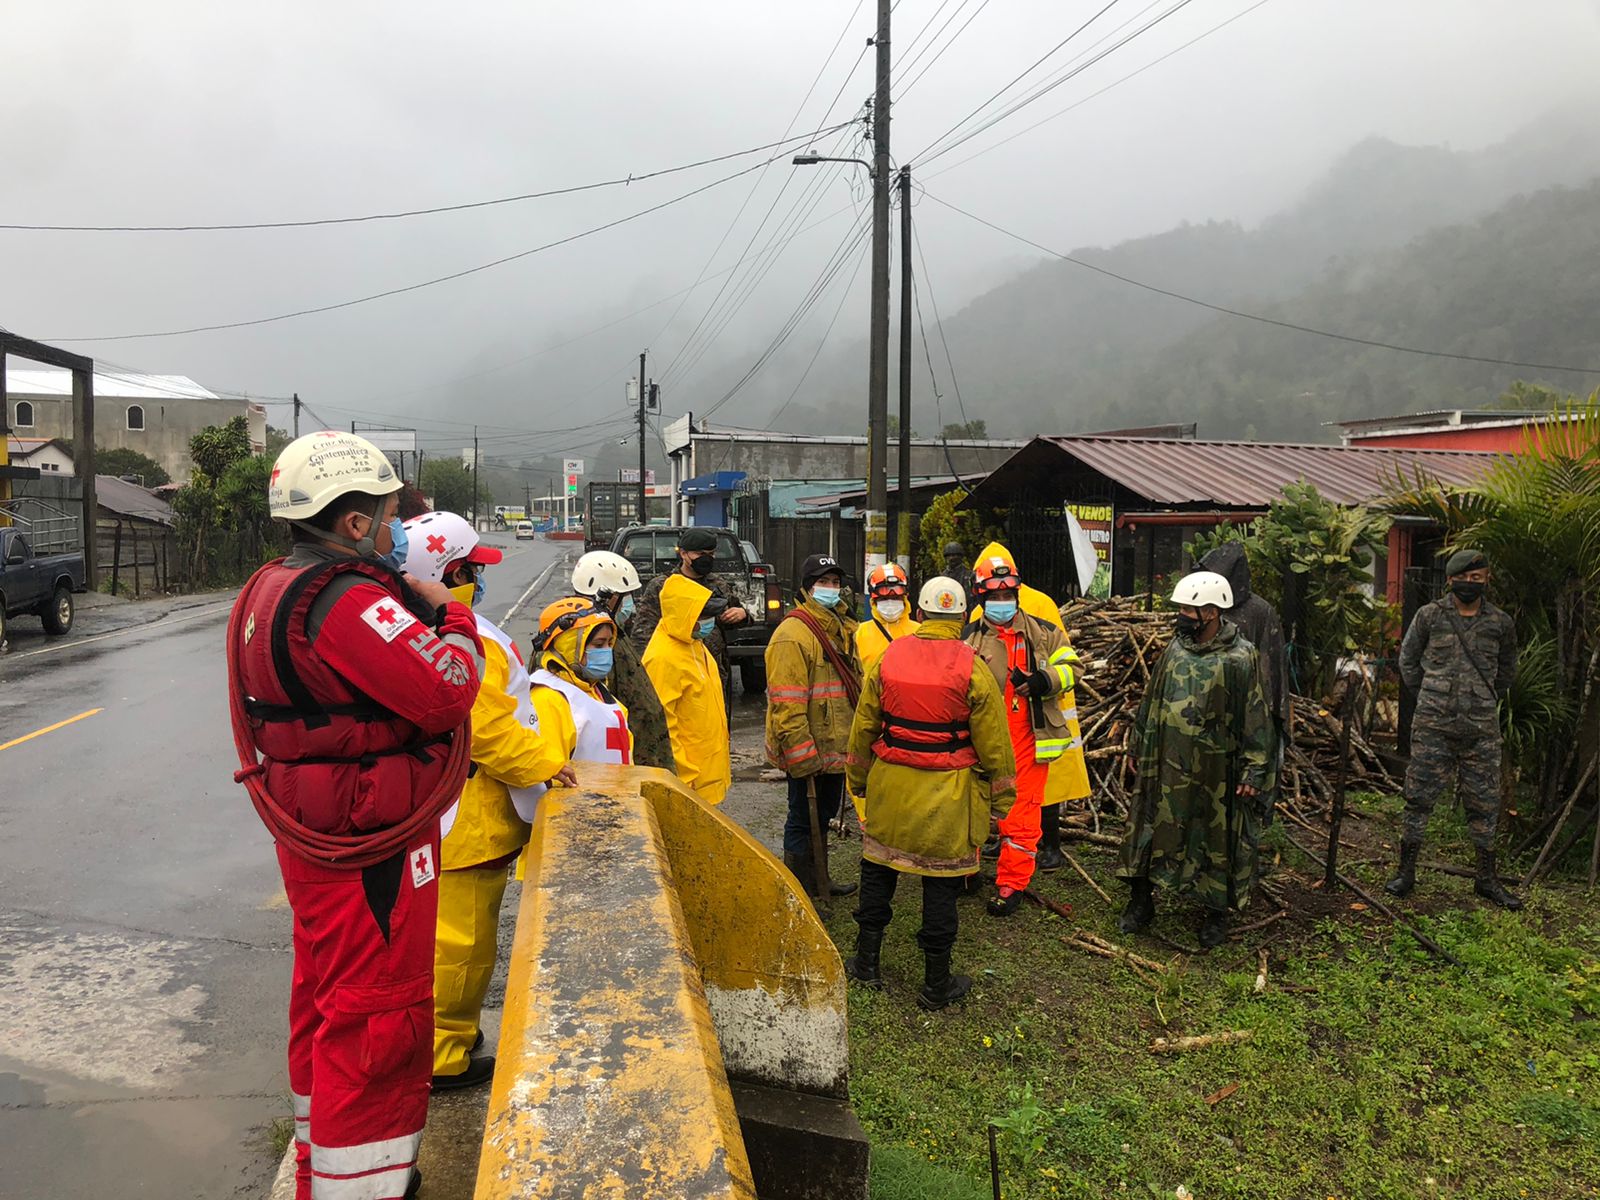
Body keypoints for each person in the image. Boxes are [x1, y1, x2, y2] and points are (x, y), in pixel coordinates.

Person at [229, 432, 484, 1200]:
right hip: (368, 835)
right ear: (349, 524)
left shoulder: (270, 585)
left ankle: (318, 1164)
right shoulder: (347, 600)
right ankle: (362, 1184)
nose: (394, 529)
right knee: (376, 1016)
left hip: (321, 827)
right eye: (384, 515)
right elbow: (446, 689)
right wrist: (453, 616)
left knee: (326, 998)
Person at [401, 510, 576, 1093]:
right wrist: (549, 765)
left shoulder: (416, 628)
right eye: (473, 568)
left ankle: (452, 1033)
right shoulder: (462, 640)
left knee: (447, 944)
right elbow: (488, 730)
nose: (481, 577)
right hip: (465, 822)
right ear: (448, 573)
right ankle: (444, 1055)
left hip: (449, 817)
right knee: (461, 948)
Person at [845, 576, 1016, 1010]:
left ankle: (866, 964)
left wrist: (861, 781)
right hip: (948, 795)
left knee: (878, 873)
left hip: (889, 787)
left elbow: (863, 727)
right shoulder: (972, 665)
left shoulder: (886, 657)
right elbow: (994, 742)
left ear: (918, 615)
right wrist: (1001, 802)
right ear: (961, 618)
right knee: (940, 886)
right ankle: (936, 986)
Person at [1117, 571, 1273, 948]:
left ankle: (1215, 913)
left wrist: (1254, 768)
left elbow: (1256, 715)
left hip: (1213, 771)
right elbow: (1152, 700)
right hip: (1164, 761)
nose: (1182, 615)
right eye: (1182, 607)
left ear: (1211, 611)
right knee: (1149, 827)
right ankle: (1141, 901)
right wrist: (1139, 745)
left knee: (1215, 837)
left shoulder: (1240, 657)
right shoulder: (1175, 648)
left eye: (1190, 608)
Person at [1387, 549, 1521, 908]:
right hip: (1433, 725)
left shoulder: (1500, 623)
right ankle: (1406, 872)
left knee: (1484, 801)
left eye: (1478, 578)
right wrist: (1433, 694)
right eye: (1464, 577)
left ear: (1487, 580)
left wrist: (1481, 698)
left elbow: (1507, 669)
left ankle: (1486, 878)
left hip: (1480, 730)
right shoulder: (1430, 616)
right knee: (1418, 797)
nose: (1470, 584)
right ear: (1450, 579)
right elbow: (1408, 661)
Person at [963, 549, 1080, 916]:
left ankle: (1011, 884)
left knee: (1022, 815)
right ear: (982, 598)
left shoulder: (1044, 633)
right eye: (994, 596)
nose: (1002, 602)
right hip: (981, 741)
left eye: (1007, 595)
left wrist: (1045, 680)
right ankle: (966, 873)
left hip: (1029, 738)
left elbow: (1072, 668)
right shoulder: (969, 638)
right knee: (972, 810)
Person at [765, 554, 862, 897]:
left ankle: (821, 879)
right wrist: (801, 755)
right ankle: (801, 889)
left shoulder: (841, 627)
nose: (831, 588)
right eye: (824, 582)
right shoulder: (793, 634)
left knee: (822, 817)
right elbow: (786, 705)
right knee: (802, 819)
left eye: (836, 582)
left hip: (834, 745)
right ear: (807, 588)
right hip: (809, 748)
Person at [1200, 541, 1289, 842]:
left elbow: (1270, 673)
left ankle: (1246, 849)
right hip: (1209, 713)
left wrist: (1266, 722)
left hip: (1250, 714)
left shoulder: (1259, 612)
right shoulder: (1204, 609)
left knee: (1248, 790)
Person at [570, 550, 675, 771]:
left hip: (639, 761)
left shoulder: (613, 633)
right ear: (607, 597)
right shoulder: (585, 645)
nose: (632, 605)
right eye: (626, 596)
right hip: (616, 768)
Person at [643, 573, 732, 804]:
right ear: (685, 615)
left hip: (707, 779)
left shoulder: (694, 645)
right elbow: (663, 727)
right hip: (689, 785)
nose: (710, 621)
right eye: (704, 615)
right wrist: (685, 777)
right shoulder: (663, 658)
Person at [629, 527, 750, 699]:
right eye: (700, 553)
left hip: (712, 670)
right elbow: (643, 634)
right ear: (684, 554)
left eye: (711, 553)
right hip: (676, 673)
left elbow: (732, 616)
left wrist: (742, 614)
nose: (707, 558)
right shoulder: (664, 587)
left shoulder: (717, 585)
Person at [528, 597, 635, 772]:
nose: (607, 651)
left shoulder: (597, 692)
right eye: (598, 644)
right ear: (569, 646)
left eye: (609, 643)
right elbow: (548, 775)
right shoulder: (548, 700)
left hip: (614, 796)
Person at [855, 561, 919, 674]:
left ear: (905, 598)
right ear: (873, 600)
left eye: (895, 597)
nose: (890, 603)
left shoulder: (920, 633)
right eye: (884, 599)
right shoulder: (858, 633)